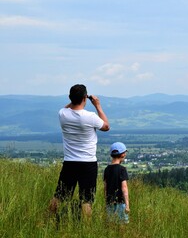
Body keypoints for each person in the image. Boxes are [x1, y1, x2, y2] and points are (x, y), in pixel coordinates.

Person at [49, 84, 110, 219]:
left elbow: (67, 107)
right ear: (85, 98)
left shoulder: (63, 114)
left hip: (70, 162)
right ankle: (86, 229)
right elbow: (106, 126)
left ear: (70, 98)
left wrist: (75, 99)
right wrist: (97, 105)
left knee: (60, 195)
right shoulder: (90, 116)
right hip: (88, 162)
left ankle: (48, 220)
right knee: (86, 200)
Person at [103, 142, 130, 224]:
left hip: (109, 203)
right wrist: (127, 205)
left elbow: (105, 187)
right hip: (121, 203)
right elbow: (124, 188)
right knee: (122, 225)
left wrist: (106, 201)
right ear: (123, 155)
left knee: (111, 224)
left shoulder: (107, 169)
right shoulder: (122, 169)